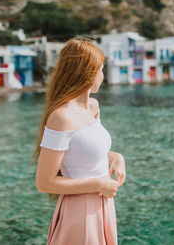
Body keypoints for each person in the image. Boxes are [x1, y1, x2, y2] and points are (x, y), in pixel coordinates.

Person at [32, 38, 126, 245]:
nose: (103, 75)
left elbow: (84, 150)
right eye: (101, 70)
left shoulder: (93, 107)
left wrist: (117, 157)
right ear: (87, 72)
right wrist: (98, 183)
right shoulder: (61, 117)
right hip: (80, 211)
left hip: (102, 205)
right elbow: (44, 182)